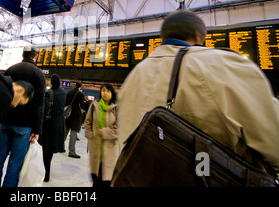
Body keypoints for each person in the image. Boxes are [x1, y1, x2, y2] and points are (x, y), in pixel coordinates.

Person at [117, 10, 279, 172]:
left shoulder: (133, 76)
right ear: (198, 36)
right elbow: (273, 140)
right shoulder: (221, 64)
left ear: (164, 37)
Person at [0, 44, 46, 187]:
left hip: (6, 120)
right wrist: (37, 130)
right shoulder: (38, 73)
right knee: (14, 164)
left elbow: (2, 95)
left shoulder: (11, 69)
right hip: (24, 125)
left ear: (23, 54)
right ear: (35, 56)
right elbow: (39, 104)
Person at [84, 83, 118, 187]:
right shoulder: (94, 106)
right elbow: (87, 121)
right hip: (95, 147)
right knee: (95, 179)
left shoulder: (117, 109)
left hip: (110, 149)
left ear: (112, 93)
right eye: (103, 91)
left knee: (107, 181)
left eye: (108, 91)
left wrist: (103, 132)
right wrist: (90, 134)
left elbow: (118, 129)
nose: (105, 93)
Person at [38, 74, 66, 182]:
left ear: (51, 82)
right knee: (50, 152)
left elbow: (44, 110)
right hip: (59, 123)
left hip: (48, 124)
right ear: (59, 82)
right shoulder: (64, 93)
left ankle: (45, 174)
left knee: (45, 149)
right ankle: (46, 173)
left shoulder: (49, 93)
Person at [64, 82, 85, 158]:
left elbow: (65, 102)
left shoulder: (69, 92)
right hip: (76, 116)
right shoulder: (80, 94)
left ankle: (61, 147)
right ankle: (71, 151)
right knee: (73, 133)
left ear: (75, 85)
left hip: (68, 114)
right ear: (80, 86)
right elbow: (82, 106)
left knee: (65, 131)